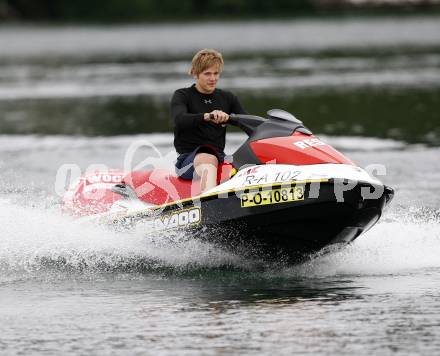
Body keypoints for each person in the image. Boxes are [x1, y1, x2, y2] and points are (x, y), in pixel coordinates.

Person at [171, 48, 247, 192]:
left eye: (216, 73)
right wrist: (208, 116)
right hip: (188, 160)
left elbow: (247, 121)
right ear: (195, 73)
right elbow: (179, 119)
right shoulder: (182, 95)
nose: (213, 78)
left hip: (220, 157)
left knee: (249, 160)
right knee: (208, 157)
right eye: (207, 74)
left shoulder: (228, 98)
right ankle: (209, 210)